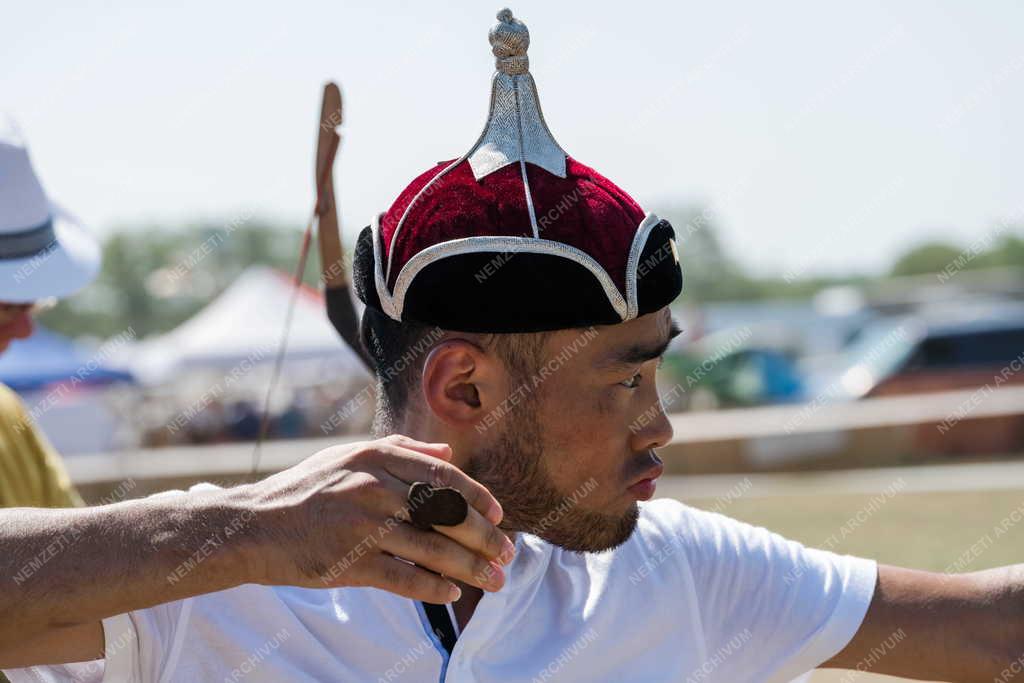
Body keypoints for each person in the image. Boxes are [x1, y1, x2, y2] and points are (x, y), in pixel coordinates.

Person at [2, 10, 1022, 682]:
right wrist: (240, 534)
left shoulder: (686, 571)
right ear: (463, 384)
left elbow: (995, 623)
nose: (659, 420)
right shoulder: (206, 583)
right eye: (625, 377)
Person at [0, 119, 98, 509]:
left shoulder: (8, 413)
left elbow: (80, 552)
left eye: (32, 303)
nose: (26, 330)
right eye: (7, 307)